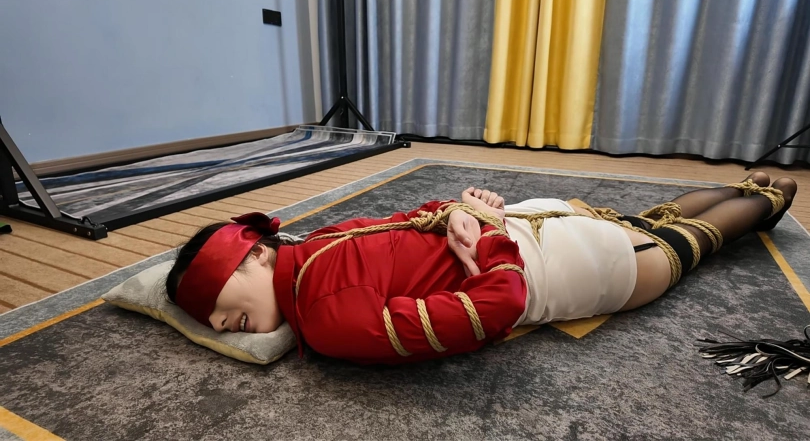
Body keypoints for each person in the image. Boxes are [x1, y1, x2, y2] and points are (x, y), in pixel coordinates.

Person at [165, 172, 797, 365]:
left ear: (256, 253)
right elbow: (487, 306)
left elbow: (492, 296)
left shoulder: (328, 314)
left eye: (211, 298)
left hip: (554, 261)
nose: (217, 323)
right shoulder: (320, 278)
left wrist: (466, 212)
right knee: (666, 232)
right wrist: (482, 225)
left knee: (672, 237)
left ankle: (766, 196)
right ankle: (764, 192)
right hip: (539, 243)